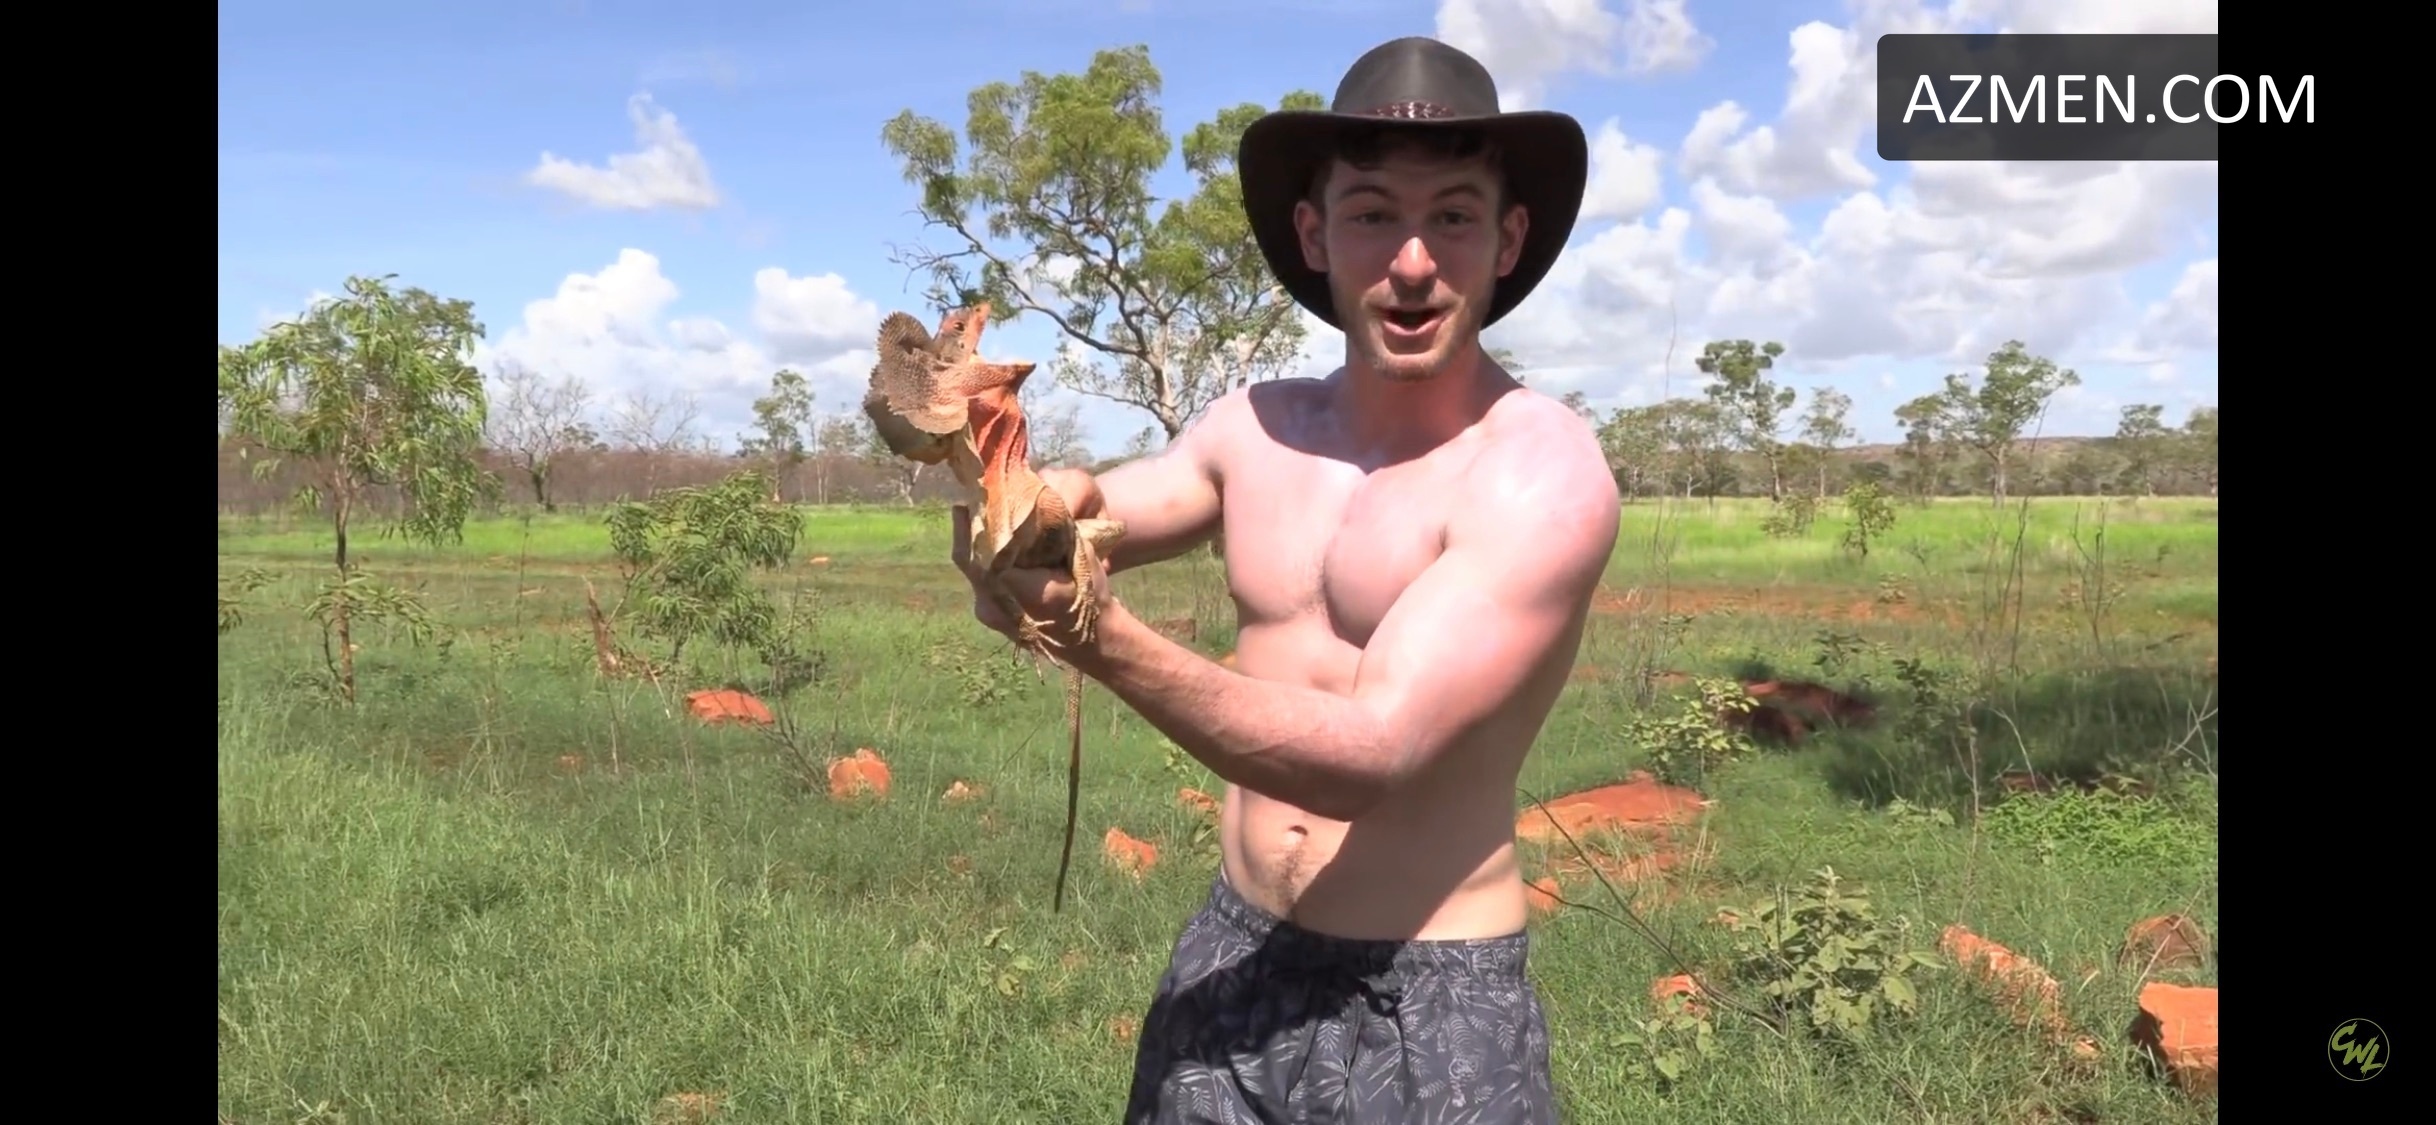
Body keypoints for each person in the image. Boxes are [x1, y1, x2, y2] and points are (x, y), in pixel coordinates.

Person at [947, 35, 1619, 1125]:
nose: (1412, 261)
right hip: (1237, 952)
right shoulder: (1253, 429)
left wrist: (1098, 637)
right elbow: (1105, 507)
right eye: (1372, 214)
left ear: (1507, 239)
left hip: (1432, 1000)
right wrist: (1018, 496)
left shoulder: (1541, 470)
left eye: (1453, 216)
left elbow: (1373, 755)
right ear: (1315, 233)